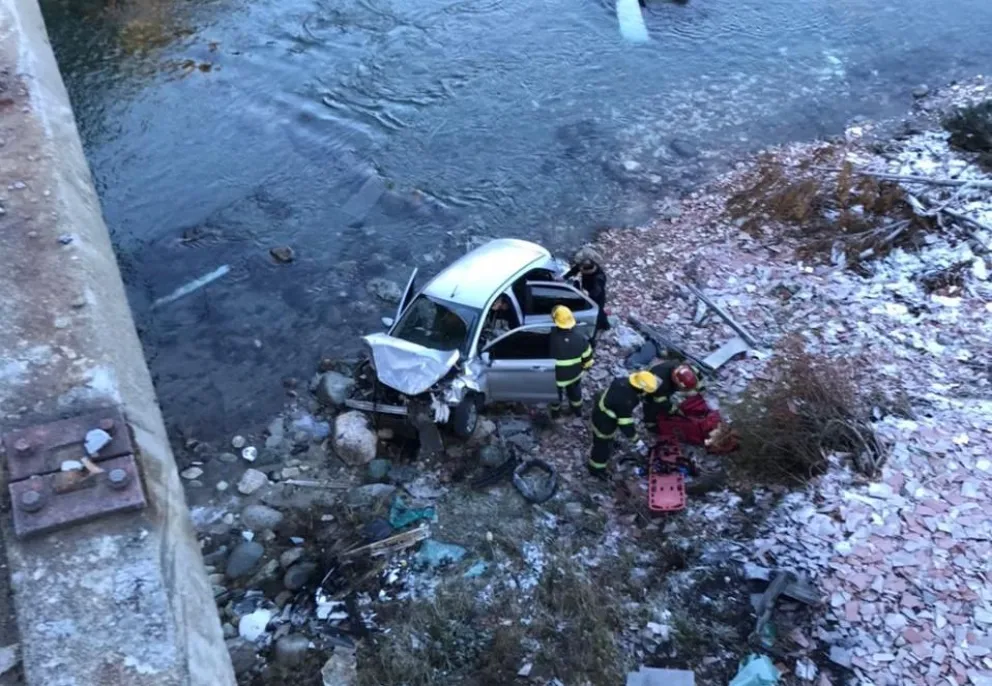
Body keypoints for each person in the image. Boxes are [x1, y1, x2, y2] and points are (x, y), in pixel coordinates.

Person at [588, 370, 659, 479]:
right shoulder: (627, 400)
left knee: (606, 439)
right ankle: (596, 469)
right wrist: (637, 441)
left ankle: (611, 442)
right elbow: (626, 424)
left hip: (602, 410)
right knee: (602, 446)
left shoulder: (623, 381)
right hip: (604, 421)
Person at [549, 305, 593, 419]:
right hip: (574, 375)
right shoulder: (581, 338)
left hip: (556, 378)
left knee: (555, 396)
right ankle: (577, 411)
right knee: (575, 394)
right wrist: (583, 368)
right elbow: (588, 361)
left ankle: (555, 415)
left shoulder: (550, 338)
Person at [564, 246, 611, 334]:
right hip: (586, 289)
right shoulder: (586, 265)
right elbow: (575, 269)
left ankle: (603, 326)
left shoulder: (598, 278)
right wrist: (565, 277)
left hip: (597, 296)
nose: (581, 271)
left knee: (598, 311)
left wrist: (587, 295)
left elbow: (597, 291)